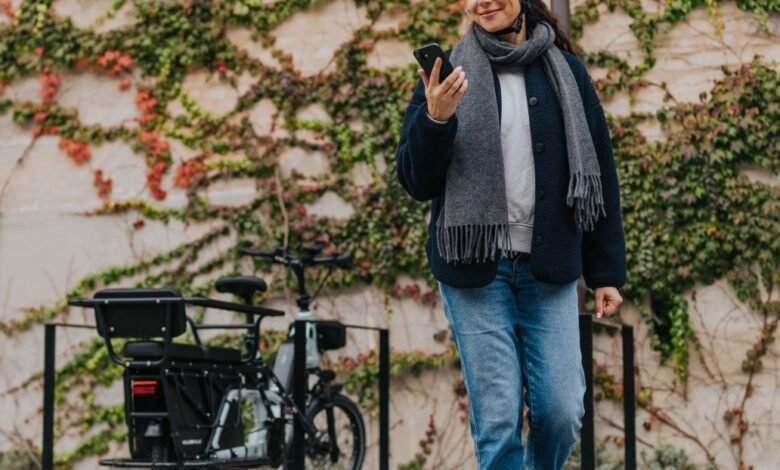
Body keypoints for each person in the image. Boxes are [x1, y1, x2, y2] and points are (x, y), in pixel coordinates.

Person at [395, 0, 627, 468]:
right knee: (499, 420)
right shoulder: (449, 73)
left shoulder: (568, 73)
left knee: (561, 411)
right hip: (478, 271)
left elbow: (598, 170)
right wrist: (436, 118)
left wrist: (605, 272)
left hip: (550, 269)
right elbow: (415, 181)